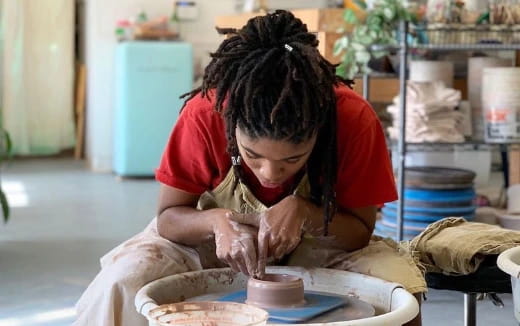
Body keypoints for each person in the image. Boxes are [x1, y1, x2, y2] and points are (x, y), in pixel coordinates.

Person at [73, 10, 426, 326]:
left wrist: (307, 213)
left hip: (323, 245)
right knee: (124, 279)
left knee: (398, 291)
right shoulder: (204, 113)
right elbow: (169, 218)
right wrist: (216, 222)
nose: (270, 173)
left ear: (319, 132)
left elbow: (360, 231)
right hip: (212, 243)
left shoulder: (352, 118)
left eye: (293, 159)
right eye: (252, 155)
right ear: (230, 123)